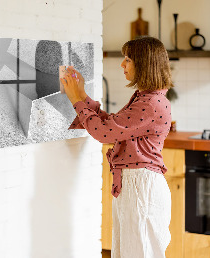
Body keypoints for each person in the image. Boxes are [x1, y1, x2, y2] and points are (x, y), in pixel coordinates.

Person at [61, 36, 173, 258]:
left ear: (144, 64)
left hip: (141, 187)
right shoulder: (146, 98)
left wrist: (76, 99)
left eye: (128, 59)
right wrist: (82, 95)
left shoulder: (150, 103)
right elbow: (112, 125)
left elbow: (104, 133)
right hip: (136, 185)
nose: (122, 64)